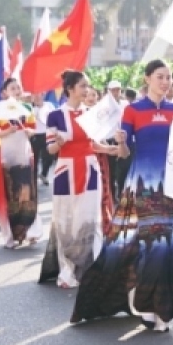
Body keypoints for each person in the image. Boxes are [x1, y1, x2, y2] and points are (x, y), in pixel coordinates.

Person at [72, 59, 173, 333]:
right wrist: (122, 141)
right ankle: (147, 306)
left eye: (169, 77)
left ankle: (164, 308)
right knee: (152, 244)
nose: (165, 81)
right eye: (160, 76)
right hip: (144, 184)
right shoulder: (133, 110)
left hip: (172, 187)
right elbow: (123, 155)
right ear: (147, 79)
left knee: (171, 248)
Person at [39, 70, 116, 288]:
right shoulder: (55, 115)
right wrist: (59, 143)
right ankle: (67, 270)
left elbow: (92, 144)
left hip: (90, 169)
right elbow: (50, 148)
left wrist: (110, 149)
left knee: (91, 218)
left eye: (87, 86)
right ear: (70, 89)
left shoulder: (90, 114)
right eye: (83, 86)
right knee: (66, 220)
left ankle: (93, 268)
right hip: (66, 171)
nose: (87, 90)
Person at [0, 78, 43, 249]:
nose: (16, 91)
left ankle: (31, 231)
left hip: (24, 155)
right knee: (11, 195)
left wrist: (30, 131)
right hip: (8, 157)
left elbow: (32, 130)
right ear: (5, 92)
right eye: (12, 88)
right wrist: (8, 130)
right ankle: (11, 235)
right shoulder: (0, 109)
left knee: (28, 193)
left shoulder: (27, 108)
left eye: (18, 88)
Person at [30, 91, 55, 186]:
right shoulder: (30, 108)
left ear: (43, 95)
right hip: (34, 135)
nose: (36, 97)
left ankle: (44, 174)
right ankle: (34, 179)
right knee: (34, 158)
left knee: (49, 157)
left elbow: (54, 118)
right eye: (34, 95)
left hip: (47, 134)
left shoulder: (49, 106)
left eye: (38, 94)